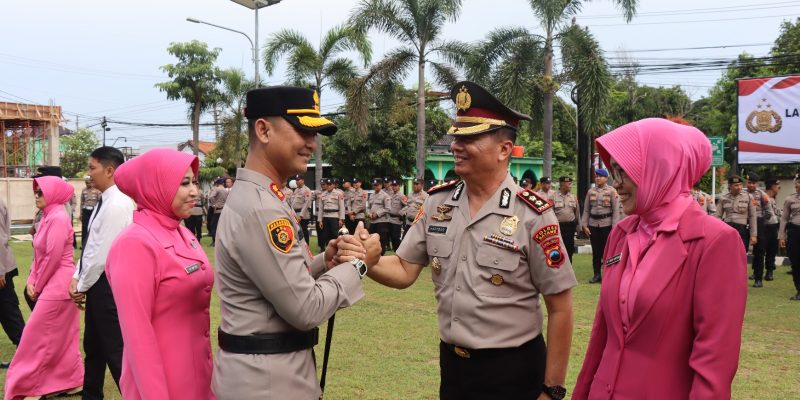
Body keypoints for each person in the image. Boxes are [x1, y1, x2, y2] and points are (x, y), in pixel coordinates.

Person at [342, 81, 576, 400]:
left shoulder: (533, 214)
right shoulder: (439, 203)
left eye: (469, 137)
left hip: (514, 371)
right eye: (455, 136)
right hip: (454, 369)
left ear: (504, 149)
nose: (455, 145)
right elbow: (404, 267)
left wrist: (552, 389)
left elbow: (560, 307)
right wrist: (367, 261)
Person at [212, 86, 370, 399]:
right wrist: (359, 263)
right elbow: (305, 308)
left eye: (314, 134)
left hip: (269, 373)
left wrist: (326, 261)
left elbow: (278, 278)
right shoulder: (262, 207)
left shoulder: (266, 197)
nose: (311, 144)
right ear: (263, 129)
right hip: (267, 382)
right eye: (301, 131)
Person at [573, 118, 747, 399]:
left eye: (624, 171)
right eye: (613, 171)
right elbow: (602, 335)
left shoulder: (714, 242)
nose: (616, 183)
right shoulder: (621, 233)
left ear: (659, 167)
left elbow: (714, 364)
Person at [103, 149, 214, 399]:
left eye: (194, 182)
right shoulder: (133, 244)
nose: (195, 191)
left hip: (197, 375)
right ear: (156, 186)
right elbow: (138, 338)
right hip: (163, 382)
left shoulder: (182, 232)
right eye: (184, 183)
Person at [5, 176, 83, 399]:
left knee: (36, 336)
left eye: (41, 192)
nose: (36, 195)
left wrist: (36, 285)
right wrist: (31, 279)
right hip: (52, 283)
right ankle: (73, 380)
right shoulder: (49, 216)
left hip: (58, 285)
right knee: (61, 336)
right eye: (36, 191)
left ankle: (32, 385)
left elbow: (53, 257)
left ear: (54, 193)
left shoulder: (57, 217)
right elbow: (40, 256)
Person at [69, 146, 135, 399]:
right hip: (97, 283)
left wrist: (81, 284)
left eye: (92, 168)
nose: (88, 174)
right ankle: (91, 394)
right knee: (94, 348)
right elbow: (91, 245)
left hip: (107, 285)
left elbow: (102, 254)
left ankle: (133, 395)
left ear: (109, 170)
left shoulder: (117, 204)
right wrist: (78, 277)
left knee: (115, 351)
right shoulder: (105, 200)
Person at [581, 168, 620, 283]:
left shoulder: (612, 191)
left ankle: (607, 275)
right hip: (593, 224)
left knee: (607, 252)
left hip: (606, 225)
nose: (597, 178)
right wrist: (584, 224)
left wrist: (614, 227)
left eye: (600, 176)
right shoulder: (590, 191)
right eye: (596, 176)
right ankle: (597, 274)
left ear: (606, 178)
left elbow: (616, 210)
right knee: (596, 252)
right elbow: (586, 209)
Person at [0, 197, 25, 369]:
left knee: (9, 314)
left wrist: (0, 270)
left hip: (1, 270)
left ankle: (27, 354)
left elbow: (0, 238)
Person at [746, 173, 773, 288]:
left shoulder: (762, 195)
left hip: (759, 224)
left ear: (757, 184)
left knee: (759, 253)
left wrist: (761, 221)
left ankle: (758, 279)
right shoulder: (742, 194)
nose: (751, 185)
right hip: (744, 223)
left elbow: (769, 212)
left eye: (753, 183)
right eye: (749, 182)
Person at [717, 175, 756, 252]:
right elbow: (717, 216)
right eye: (736, 185)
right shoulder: (723, 198)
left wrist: (753, 235)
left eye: (740, 185)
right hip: (728, 228)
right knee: (727, 252)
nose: (739, 187)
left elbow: (752, 216)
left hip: (742, 228)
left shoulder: (748, 197)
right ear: (730, 186)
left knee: (741, 252)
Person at [778, 174, 800, 300]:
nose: (797, 184)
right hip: (794, 231)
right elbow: (784, 218)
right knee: (796, 262)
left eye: (799, 182)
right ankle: (799, 290)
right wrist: (781, 236)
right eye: (796, 182)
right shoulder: (790, 199)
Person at [552, 176, 581, 262]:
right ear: (562, 185)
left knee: (569, 249)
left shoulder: (573, 197)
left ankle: (569, 268)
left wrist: (578, 226)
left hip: (570, 227)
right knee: (557, 249)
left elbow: (577, 213)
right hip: (558, 227)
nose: (571, 186)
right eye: (569, 184)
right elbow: (550, 213)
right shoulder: (553, 197)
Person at [318, 177, 345, 250]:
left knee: (335, 234)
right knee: (325, 235)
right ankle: (328, 250)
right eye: (327, 184)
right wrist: (320, 220)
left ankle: (337, 249)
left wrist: (341, 219)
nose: (328, 186)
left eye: (330, 184)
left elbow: (342, 207)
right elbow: (320, 209)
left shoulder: (339, 193)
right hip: (325, 216)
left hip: (335, 216)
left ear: (333, 185)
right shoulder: (322, 194)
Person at [368, 177, 391, 255]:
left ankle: (381, 256)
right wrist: (369, 213)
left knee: (381, 241)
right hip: (372, 221)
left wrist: (377, 214)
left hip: (382, 222)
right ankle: (373, 255)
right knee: (371, 239)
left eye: (377, 185)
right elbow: (368, 207)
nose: (375, 187)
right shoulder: (371, 195)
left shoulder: (385, 196)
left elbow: (388, 208)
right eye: (374, 185)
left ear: (381, 185)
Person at [764, 179, 781, 282]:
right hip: (764, 226)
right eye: (778, 186)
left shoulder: (772, 199)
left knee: (772, 249)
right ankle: (757, 271)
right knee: (760, 250)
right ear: (773, 187)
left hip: (773, 226)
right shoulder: (763, 197)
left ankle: (769, 271)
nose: (779, 189)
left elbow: (776, 212)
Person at [289, 175, 313, 242]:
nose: (297, 181)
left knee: (304, 231)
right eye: (296, 180)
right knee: (296, 231)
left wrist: (301, 215)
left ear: (303, 180)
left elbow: (307, 203)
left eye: (298, 180)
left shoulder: (306, 190)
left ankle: (306, 246)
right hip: (295, 213)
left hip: (303, 215)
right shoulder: (296, 190)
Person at [80, 176, 101, 249]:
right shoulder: (84, 190)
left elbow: (99, 202)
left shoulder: (97, 191)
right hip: (85, 210)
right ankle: (83, 244)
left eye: (88, 183)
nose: (87, 184)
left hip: (93, 210)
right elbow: (82, 202)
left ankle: (91, 244)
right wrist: (81, 213)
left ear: (91, 182)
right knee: (84, 228)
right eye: (86, 183)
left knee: (92, 227)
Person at [387, 179, 407, 251]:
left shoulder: (401, 196)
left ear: (399, 186)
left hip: (396, 220)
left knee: (396, 237)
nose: (394, 187)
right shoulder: (390, 194)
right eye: (393, 186)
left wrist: (400, 213)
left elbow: (407, 206)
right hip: (389, 219)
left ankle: (399, 251)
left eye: (396, 186)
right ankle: (395, 252)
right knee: (391, 237)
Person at [207, 178, 227, 246]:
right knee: (221, 226)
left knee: (214, 226)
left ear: (217, 183)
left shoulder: (216, 189)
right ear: (223, 183)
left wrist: (214, 204)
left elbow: (211, 197)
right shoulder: (226, 190)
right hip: (224, 210)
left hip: (217, 210)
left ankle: (214, 242)